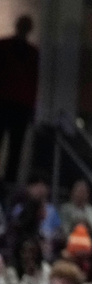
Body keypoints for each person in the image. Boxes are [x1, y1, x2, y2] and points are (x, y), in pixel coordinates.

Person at [0, 15, 39, 185]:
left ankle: (9, 181)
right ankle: (9, 181)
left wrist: (31, 109)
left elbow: (34, 82)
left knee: (16, 148)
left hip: (20, 104)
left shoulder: (33, 53)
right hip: (5, 101)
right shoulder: (4, 46)